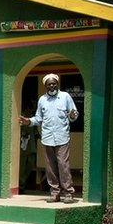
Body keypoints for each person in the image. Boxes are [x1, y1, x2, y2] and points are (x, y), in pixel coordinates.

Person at [18, 73, 78, 203]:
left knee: (63, 165)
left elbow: (74, 114)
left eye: (54, 83)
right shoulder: (42, 100)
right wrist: (28, 121)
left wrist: (73, 115)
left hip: (62, 137)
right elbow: (38, 119)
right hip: (47, 138)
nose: (52, 86)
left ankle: (68, 193)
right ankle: (54, 193)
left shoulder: (65, 97)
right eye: (49, 84)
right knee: (50, 167)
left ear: (57, 84)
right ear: (45, 86)